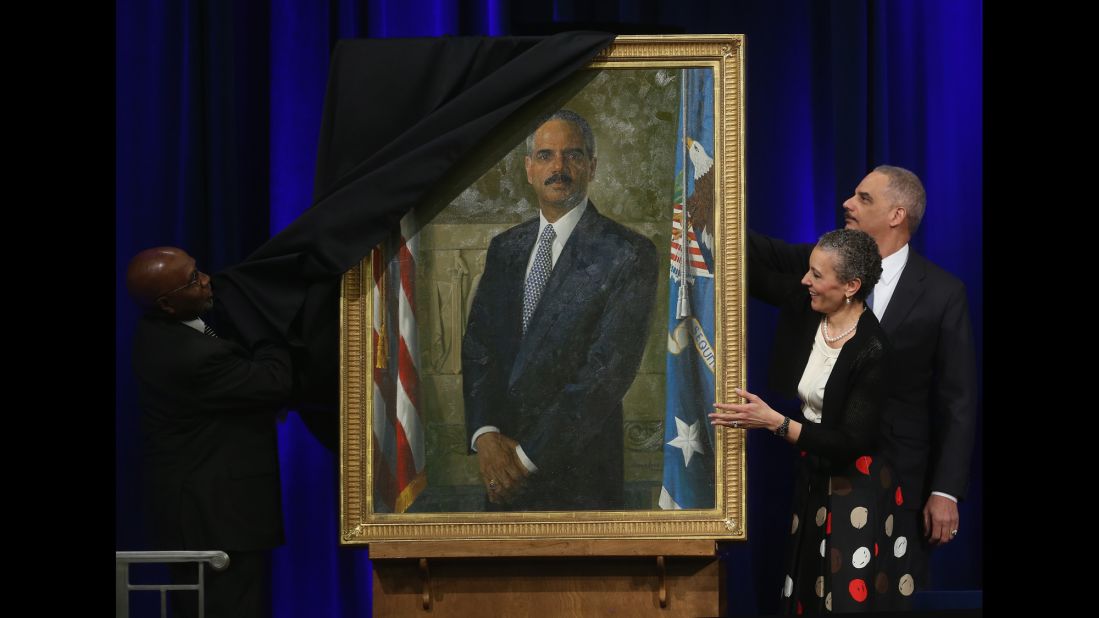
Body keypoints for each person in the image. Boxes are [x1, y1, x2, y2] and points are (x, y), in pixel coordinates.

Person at [747, 165, 978, 592]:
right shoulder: (818, 265)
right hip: (821, 475)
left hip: (901, 485)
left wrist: (946, 492)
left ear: (897, 215)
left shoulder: (944, 293)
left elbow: (958, 402)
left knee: (886, 599)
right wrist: (703, 213)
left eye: (864, 198)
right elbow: (749, 251)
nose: (847, 204)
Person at [461, 109, 659, 510]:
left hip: (578, 475)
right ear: (529, 168)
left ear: (592, 166)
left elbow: (604, 374)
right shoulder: (506, 249)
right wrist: (485, 437)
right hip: (498, 471)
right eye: (546, 155)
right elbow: (479, 348)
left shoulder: (628, 254)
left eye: (573, 155)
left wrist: (523, 459)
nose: (559, 167)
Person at [712, 228, 904, 613]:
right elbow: (747, 271)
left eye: (817, 275)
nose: (805, 280)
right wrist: (712, 220)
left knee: (846, 598)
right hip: (813, 477)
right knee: (808, 593)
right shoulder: (806, 307)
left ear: (851, 285)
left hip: (858, 487)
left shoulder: (873, 348)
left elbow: (850, 442)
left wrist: (774, 422)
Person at [126, 246, 293, 618]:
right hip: (215, 520)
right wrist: (272, 329)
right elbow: (274, 381)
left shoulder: (154, 329)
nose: (206, 280)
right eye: (193, 281)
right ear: (167, 305)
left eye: (198, 270)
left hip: (205, 513)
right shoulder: (189, 358)